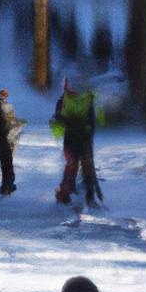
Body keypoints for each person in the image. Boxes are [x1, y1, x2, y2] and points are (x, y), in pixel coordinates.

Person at [51, 79, 101, 207]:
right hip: (85, 139)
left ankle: (65, 195)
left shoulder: (63, 101)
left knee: (71, 166)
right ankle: (90, 197)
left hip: (71, 138)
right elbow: (94, 121)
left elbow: (58, 126)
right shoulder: (88, 99)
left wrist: (57, 126)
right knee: (87, 166)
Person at [0, 88, 25, 195]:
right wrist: (15, 125)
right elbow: (6, 123)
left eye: (5, 94)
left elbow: (5, 122)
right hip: (5, 138)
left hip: (1, 139)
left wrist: (16, 123)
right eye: (3, 94)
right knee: (7, 163)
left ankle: (6, 186)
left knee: (5, 164)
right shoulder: (2, 107)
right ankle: (7, 187)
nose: (5, 96)